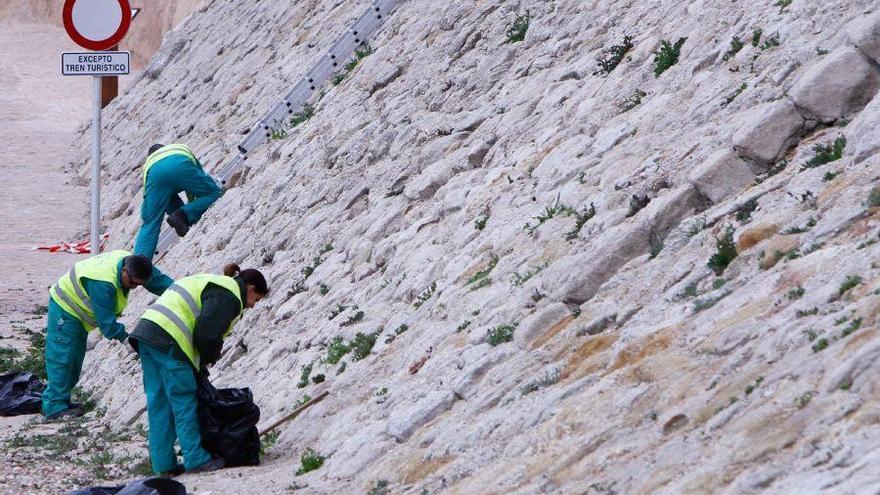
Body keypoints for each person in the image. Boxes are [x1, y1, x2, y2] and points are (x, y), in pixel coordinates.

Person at [131, 263, 270, 475]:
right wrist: (207, 359)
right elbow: (207, 334)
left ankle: (163, 464)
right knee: (184, 399)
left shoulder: (214, 283)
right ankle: (195, 458)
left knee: (159, 402)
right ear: (250, 288)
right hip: (170, 340)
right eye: (256, 300)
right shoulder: (228, 296)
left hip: (147, 334)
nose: (252, 306)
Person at [43, 250, 173, 419]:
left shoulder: (134, 263)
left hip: (77, 314)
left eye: (139, 284)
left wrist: (179, 291)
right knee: (64, 357)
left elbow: (158, 281)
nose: (134, 287)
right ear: (124, 271)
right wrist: (126, 340)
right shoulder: (103, 283)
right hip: (66, 309)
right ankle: (54, 407)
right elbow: (107, 324)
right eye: (133, 283)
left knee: (74, 358)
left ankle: (59, 400)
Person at [133, 143, 223, 260]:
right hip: (179, 164)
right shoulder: (178, 148)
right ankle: (183, 215)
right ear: (164, 147)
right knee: (213, 193)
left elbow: (164, 203)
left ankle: (137, 265)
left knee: (150, 224)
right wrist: (189, 215)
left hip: (155, 176)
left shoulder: (148, 165)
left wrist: (178, 216)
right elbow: (200, 184)